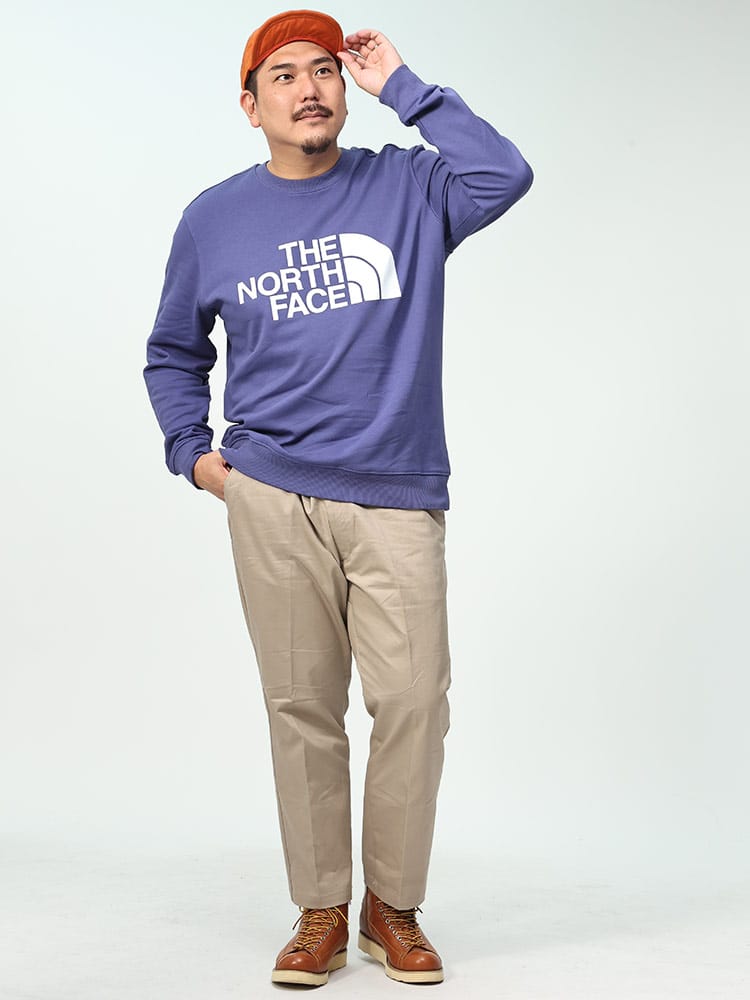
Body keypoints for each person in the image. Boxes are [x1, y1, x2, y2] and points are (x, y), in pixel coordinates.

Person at [143, 8, 533, 987]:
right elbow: (174, 353)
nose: (309, 88)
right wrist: (198, 457)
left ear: (345, 89)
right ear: (250, 106)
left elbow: (504, 174)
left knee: (414, 702)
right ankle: (320, 906)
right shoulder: (213, 219)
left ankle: (389, 907)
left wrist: (403, 85)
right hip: (270, 495)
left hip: (395, 492)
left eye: (324, 69)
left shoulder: (409, 186)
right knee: (301, 706)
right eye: (283, 75)